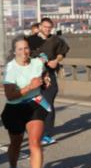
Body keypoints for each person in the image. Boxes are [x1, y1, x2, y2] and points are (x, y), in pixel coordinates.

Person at [1, 36, 51, 168]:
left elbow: (43, 74)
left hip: (35, 104)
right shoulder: (10, 68)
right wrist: (30, 86)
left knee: (35, 141)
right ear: (14, 51)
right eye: (20, 49)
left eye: (26, 48)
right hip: (15, 108)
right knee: (15, 144)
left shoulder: (37, 63)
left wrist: (46, 79)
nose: (24, 52)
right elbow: (10, 95)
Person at [27, 17, 70, 146]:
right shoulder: (30, 41)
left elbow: (63, 52)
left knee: (48, 105)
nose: (47, 30)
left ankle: (46, 134)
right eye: (45, 27)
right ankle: (34, 129)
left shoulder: (55, 40)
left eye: (49, 28)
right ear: (40, 26)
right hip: (33, 76)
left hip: (49, 76)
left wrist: (56, 60)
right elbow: (21, 55)